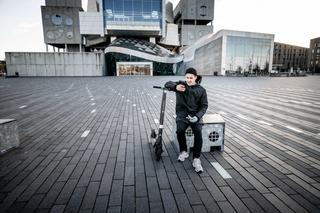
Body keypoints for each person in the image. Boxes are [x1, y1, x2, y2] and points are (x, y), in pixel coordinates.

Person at [165, 68, 208, 173]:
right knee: (180, 130)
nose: (189, 79)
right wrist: (175, 87)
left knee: (198, 132)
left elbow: (204, 106)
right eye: (187, 77)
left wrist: (197, 117)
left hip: (195, 115)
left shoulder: (201, 90)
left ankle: (196, 159)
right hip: (182, 114)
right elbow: (167, 84)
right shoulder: (181, 85)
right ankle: (183, 151)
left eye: (191, 78)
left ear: (195, 77)